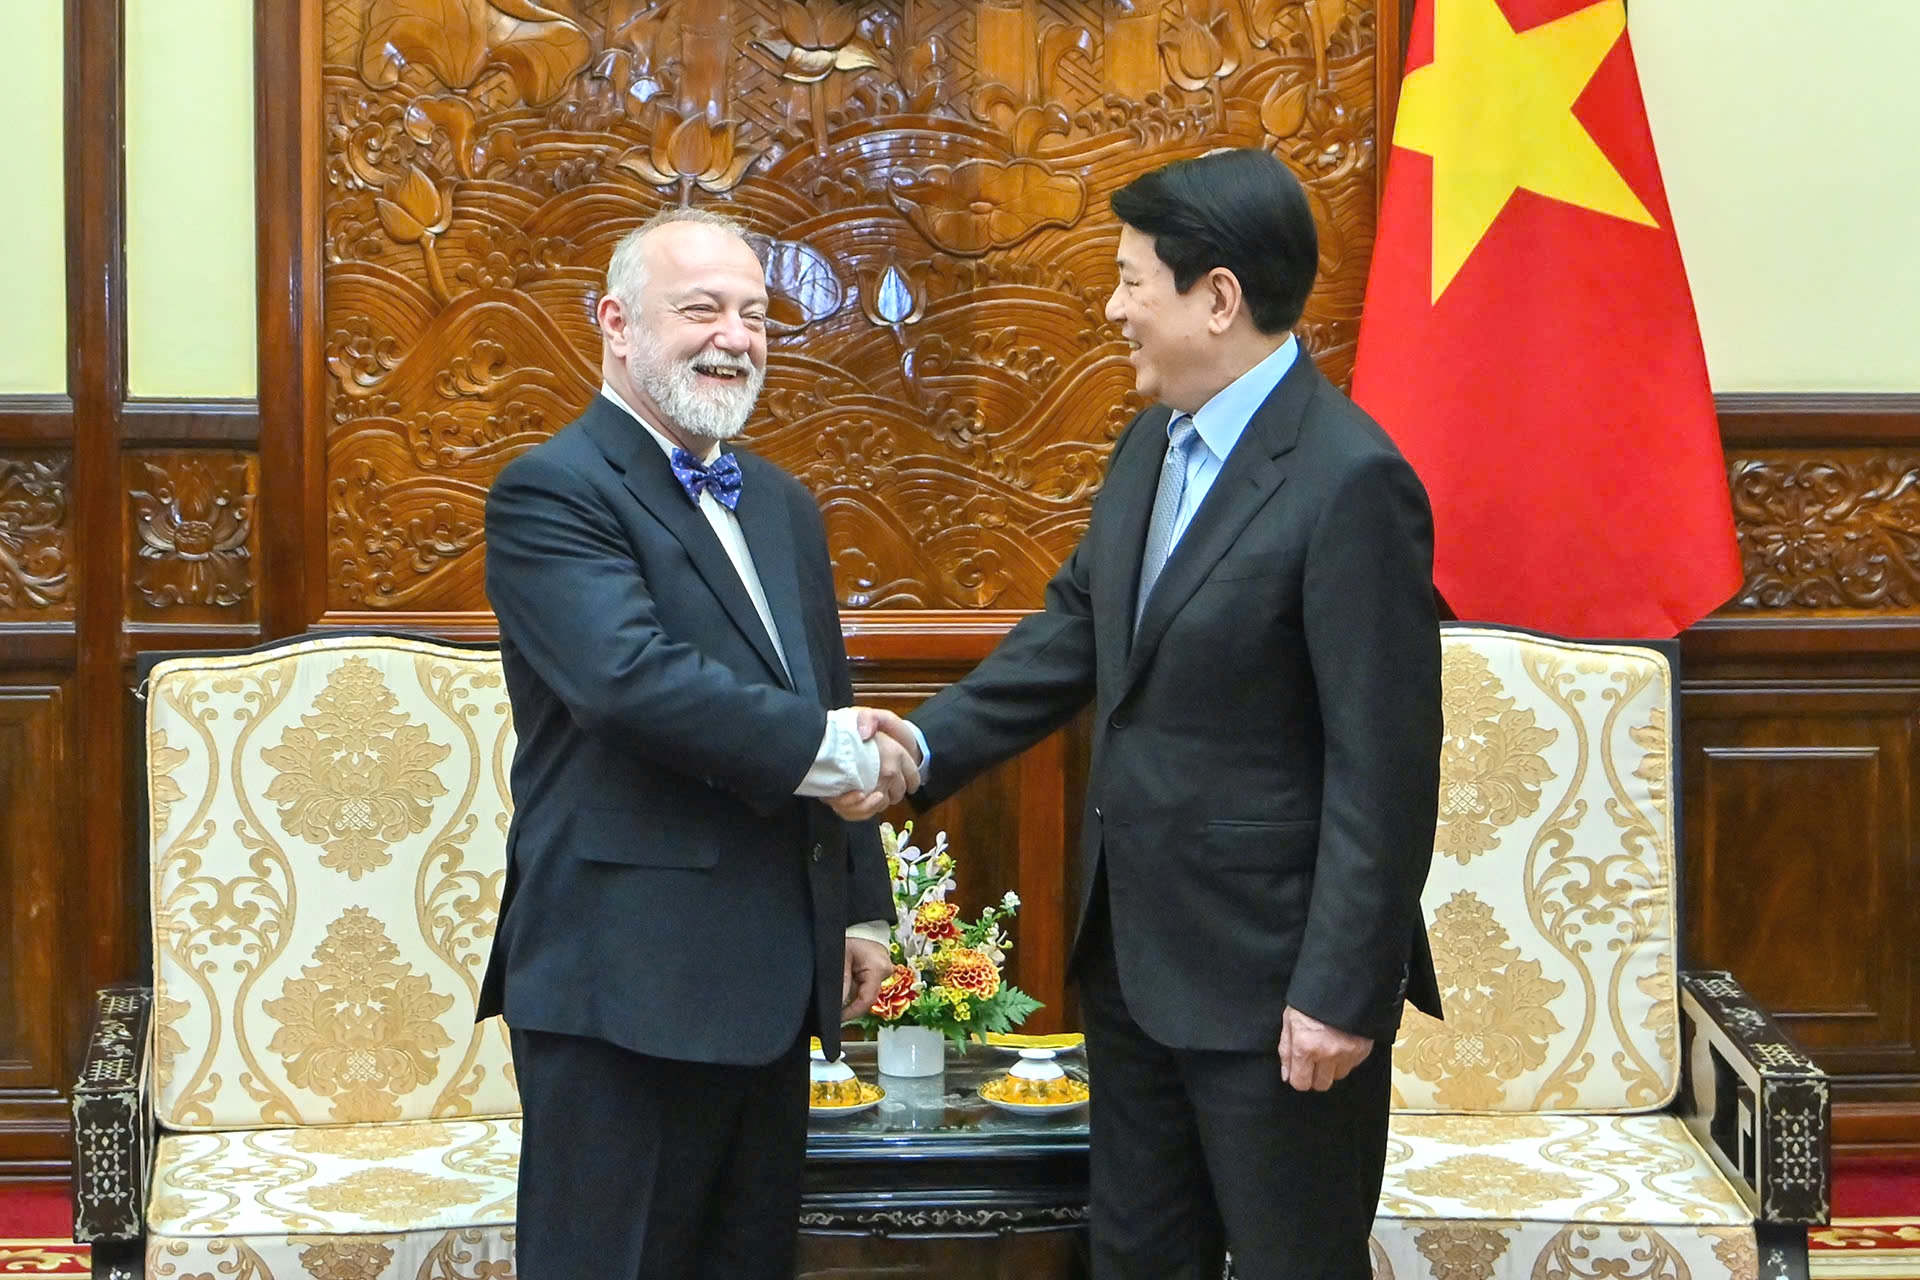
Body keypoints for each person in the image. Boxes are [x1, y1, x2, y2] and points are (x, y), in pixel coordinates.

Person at [867, 149, 1445, 1280]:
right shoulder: (1152, 441)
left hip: (1277, 990)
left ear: (1217, 297)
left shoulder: (1350, 478)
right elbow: (1075, 630)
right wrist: (923, 746)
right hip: (1134, 965)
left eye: (1133, 280)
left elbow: (1385, 763)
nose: (1114, 307)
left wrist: (1338, 991)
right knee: (1136, 1258)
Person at [477, 206, 915, 1280]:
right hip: (624, 984)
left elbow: (825, 691)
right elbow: (629, 682)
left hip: (772, 983)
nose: (735, 337)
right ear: (616, 323)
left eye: (755, 315)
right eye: (702, 309)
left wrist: (859, 906)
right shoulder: (553, 490)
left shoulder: (783, 503)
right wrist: (840, 755)